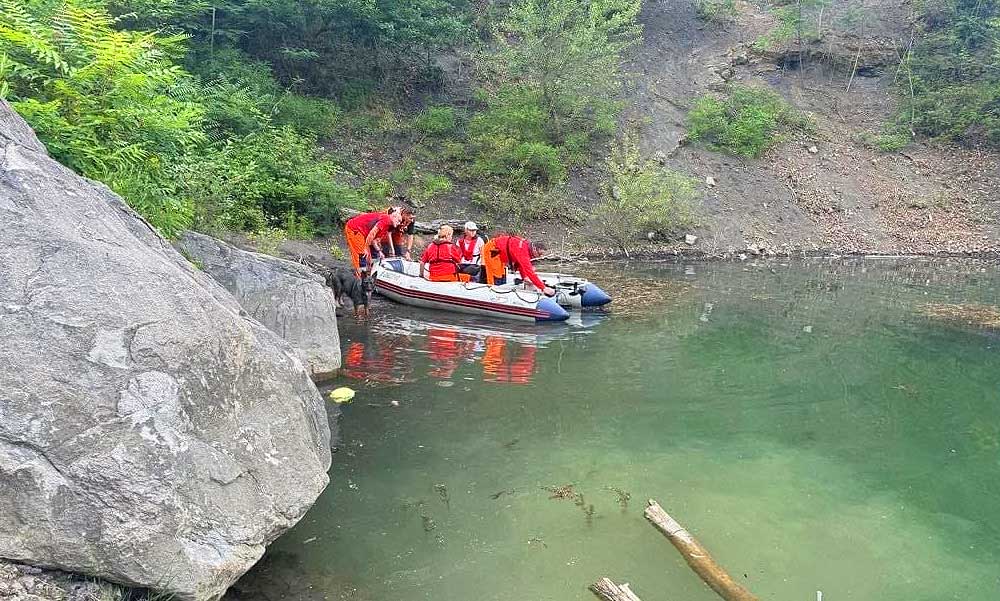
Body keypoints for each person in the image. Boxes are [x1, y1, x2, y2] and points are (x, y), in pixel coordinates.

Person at [481, 234, 556, 296]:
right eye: (539, 254)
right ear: (534, 249)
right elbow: (529, 271)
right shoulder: (523, 251)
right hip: (493, 250)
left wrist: (524, 277)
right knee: (495, 276)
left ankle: (499, 290)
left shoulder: (526, 248)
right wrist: (543, 288)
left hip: (500, 253)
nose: (539, 256)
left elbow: (521, 265)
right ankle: (492, 292)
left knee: (502, 275)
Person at [344, 210, 401, 277]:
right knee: (362, 255)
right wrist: (365, 247)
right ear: (393, 217)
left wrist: (379, 251)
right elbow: (372, 233)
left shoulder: (387, 226)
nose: (399, 223)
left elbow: (374, 240)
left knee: (369, 257)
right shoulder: (386, 219)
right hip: (355, 229)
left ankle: (366, 275)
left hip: (363, 234)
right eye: (398, 220)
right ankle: (360, 277)